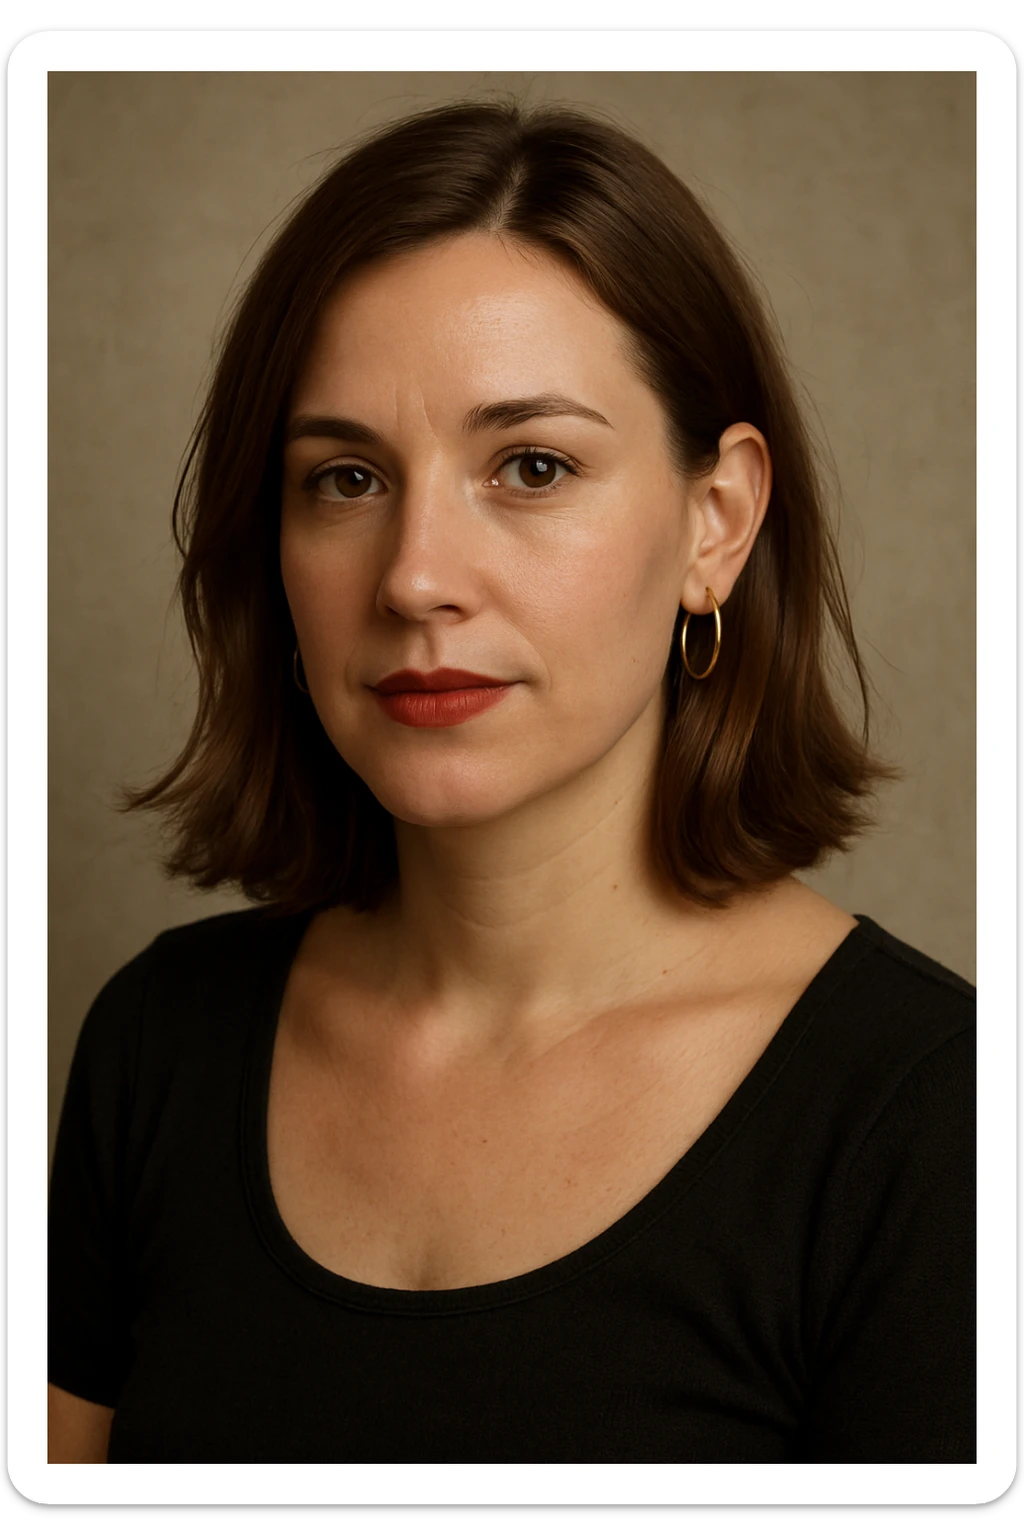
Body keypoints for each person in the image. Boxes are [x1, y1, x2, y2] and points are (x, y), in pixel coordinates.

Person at [47, 99, 975, 1464]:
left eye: (532, 466)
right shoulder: (158, 1044)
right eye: (346, 477)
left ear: (716, 523)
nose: (415, 575)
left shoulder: (934, 1121)